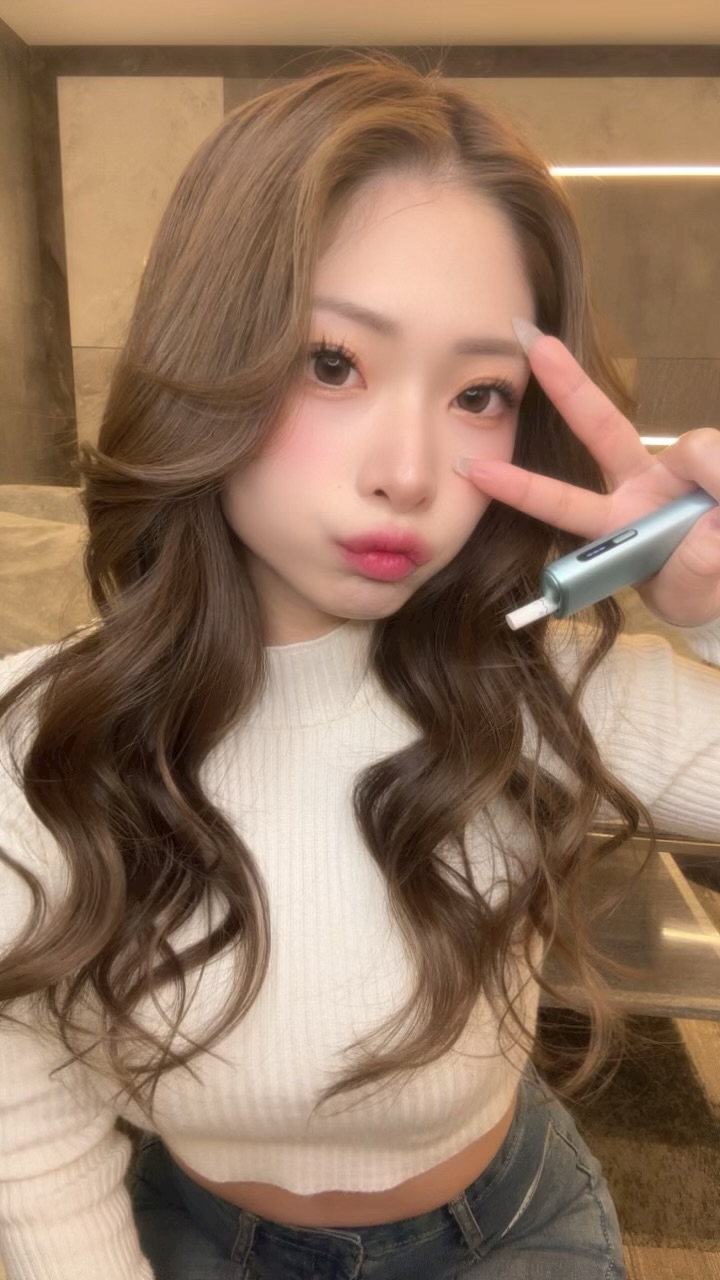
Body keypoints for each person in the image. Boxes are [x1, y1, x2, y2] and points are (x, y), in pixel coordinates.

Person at [1, 51, 719, 1280]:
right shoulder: (40, 735)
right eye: (332, 362)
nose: (409, 472)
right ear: (209, 353)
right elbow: (27, 1087)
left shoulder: (539, 690)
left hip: (512, 1230)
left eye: (480, 392)